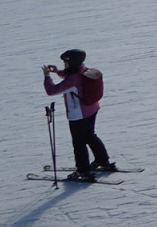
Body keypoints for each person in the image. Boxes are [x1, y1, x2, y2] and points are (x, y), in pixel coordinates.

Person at [43, 49, 112, 178]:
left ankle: (83, 170)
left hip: (79, 114)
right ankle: (103, 160)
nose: (64, 63)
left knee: (78, 142)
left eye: (65, 62)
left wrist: (47, 77)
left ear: (72, 62)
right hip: (92, 109)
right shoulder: (83, 70)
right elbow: (71, 76)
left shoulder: (73, 79)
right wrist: (57, 72)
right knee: (90, 136)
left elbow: (51, 90)